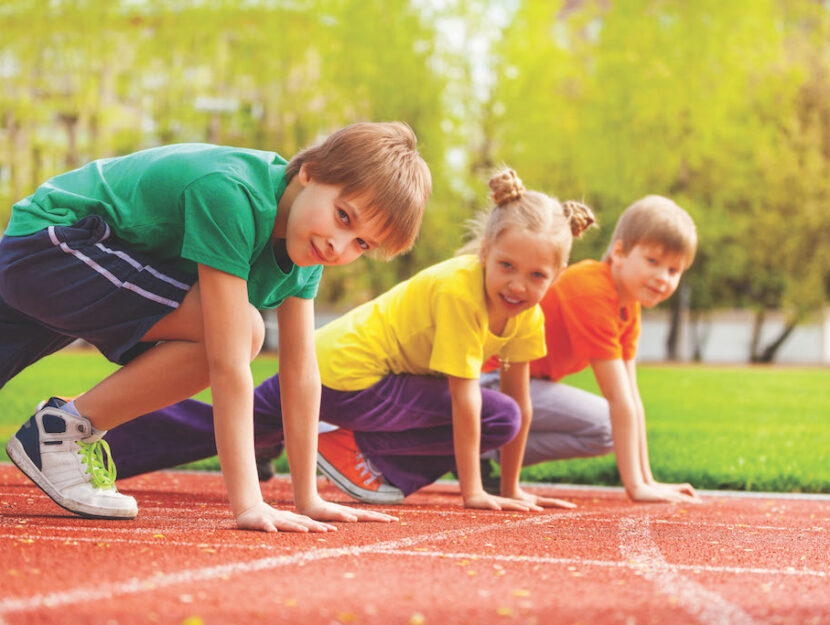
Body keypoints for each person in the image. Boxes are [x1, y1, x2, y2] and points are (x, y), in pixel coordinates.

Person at [1, 122, 431, 531]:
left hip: (79, 267)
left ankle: (63, 430)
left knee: (244, 331)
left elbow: (301, 374)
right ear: (310, 173)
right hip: (52, 245)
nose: (340, 246)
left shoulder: (307, 253)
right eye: (343, 216)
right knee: (242, 332)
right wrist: (248, 503)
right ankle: (63, 430)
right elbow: (227, 360)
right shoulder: (233, 193)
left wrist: (308, 498)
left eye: (362, 244)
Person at [100, 168, 593, 512]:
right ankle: (356, 455)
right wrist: (474, 493)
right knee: (494, 414)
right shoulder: (459, 291)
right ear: (486, 251)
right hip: (346, 375)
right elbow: (467, 403)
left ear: (557, 274)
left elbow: (523, 402)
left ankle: (102, 451)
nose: (517, 285)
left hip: (341, 371)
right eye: (506, 266)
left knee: (240, 424)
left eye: (536, 276)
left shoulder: (527, 313)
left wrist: (514, 488)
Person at [480, 195, 701, 503]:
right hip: (491, 381)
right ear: (620, 253)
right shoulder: (591, 290)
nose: (662, 277)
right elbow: (618, 398)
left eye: (674, 270)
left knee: (606, 431)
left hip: (527, 385)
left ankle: (486, 448)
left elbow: (633, 398)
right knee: (608, 421)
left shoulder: (628, 306)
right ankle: (471, 439)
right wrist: (636, 487)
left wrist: (650, 480)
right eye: (653, 262)